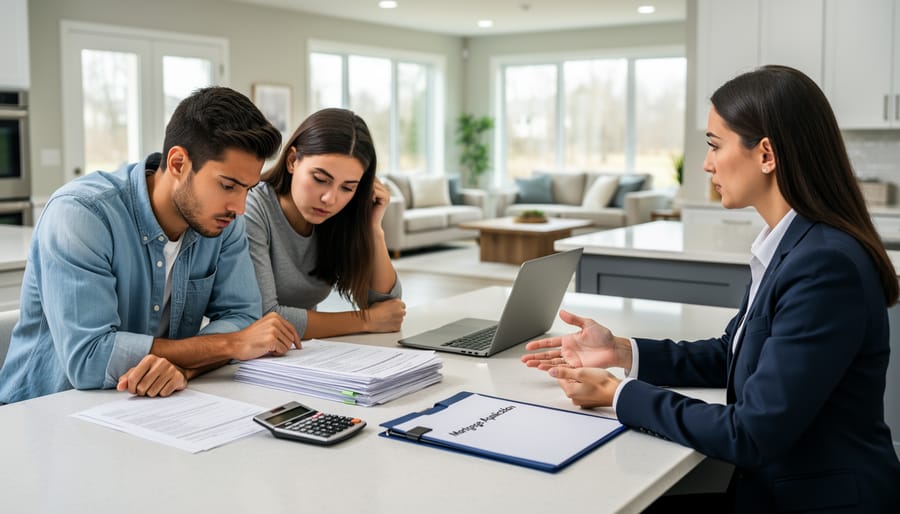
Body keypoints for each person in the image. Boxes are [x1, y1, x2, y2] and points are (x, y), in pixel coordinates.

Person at [522, 65, 900, 513]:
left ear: (766, 154)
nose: (706, 164)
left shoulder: (823, 265)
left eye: (715, 146)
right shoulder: (791, 244)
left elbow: (751, 433)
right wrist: (622, 352)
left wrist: (617, 393)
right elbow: (732, 354)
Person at [0, 86, 301, 404]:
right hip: (40, 413)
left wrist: (183, 366)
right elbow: (89, 359)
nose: (239, 207)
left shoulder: (222, 222)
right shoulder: (81, 214)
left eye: (247, 189)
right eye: (227, 185)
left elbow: (242, 316)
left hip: (147, 406)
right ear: (178, 163)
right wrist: (228, 345)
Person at [244, 108, 404, 340]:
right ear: (292, 161)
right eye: (320, 179)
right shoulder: (252, 208)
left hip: (305, 353)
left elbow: (388, 308)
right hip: (238, 362)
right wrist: (366, 320)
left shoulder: (340, 215)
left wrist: (373, 229)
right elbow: (265, 317)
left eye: (347, 187)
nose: (330, 199)